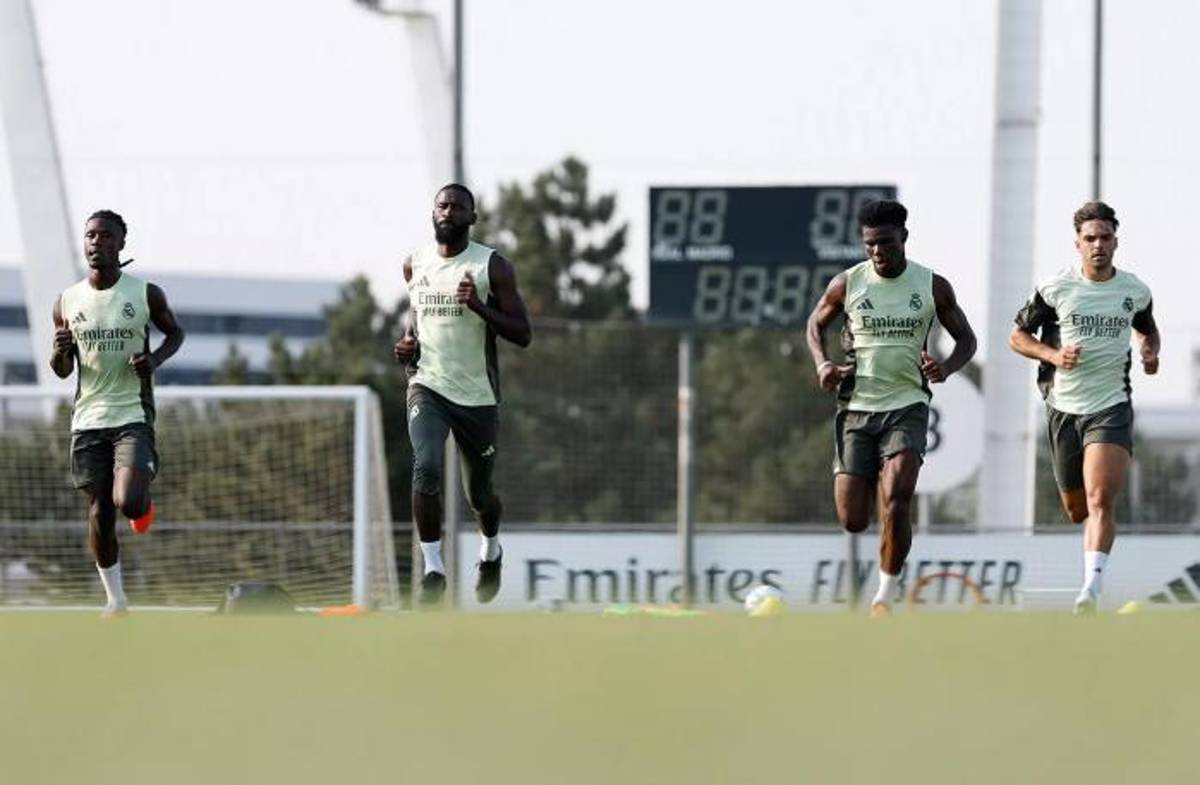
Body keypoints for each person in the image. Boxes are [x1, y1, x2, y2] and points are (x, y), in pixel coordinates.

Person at [806, 199, 977, 617]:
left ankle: (885, 593)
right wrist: (823, 363)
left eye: (885, 242)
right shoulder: (848, 284)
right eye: (869, 245)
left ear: (903, 237)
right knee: (852, 518)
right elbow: (814, 324)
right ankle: (866, 489)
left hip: (908, 406)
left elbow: (967, 341)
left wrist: (946, 367)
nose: (877, 251)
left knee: (897, 495)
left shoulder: (932, 286)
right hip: (856, 408)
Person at [1009, 201, 1159, 615]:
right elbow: (1017, 336)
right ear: (1077, 244)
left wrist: (1150, 352)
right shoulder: (1055, 288)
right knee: (1077, 509)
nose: (1098, 245)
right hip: (1062, 408)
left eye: (1105, 237)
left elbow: (1149, 329)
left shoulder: (1134, 290)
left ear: (1115, 241)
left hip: (1110, 406)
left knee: (1100, 499)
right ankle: (1090, 577)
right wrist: (1054, 356)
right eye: (1089, 238)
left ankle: (1090, 589)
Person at [395, 184, 532, 607]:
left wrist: (480, 308)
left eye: (458, 207)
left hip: (476, 397)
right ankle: (434, 569)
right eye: (442, 204)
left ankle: (491, 551)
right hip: (427, 386)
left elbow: (523, 334)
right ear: (432, 212)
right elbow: (416, 318)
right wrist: (406, 345)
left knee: (480, 498)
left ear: (471, 218)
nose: (449, 211)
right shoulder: (414, 263)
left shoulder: (493, 266)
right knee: (427, 465)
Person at [49, 210, 185, 617]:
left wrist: (155, 360)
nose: (96, 242)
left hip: (131, 414)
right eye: (90, 235)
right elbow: (61, 370)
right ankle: (116, 600)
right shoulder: (66, 301)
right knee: (99, 512)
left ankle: (143, 506)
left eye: (105, 236)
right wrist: (59, 350)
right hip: (88, 419)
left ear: (120, 244)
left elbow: (175, 333)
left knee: (127, 501)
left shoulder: (145, 294)